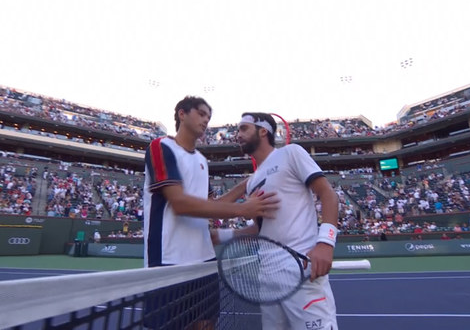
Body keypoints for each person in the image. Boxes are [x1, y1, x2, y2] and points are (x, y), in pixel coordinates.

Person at [142, 97, 280, 330]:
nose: (206, 120)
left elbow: (207, 207)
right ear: (182, 114)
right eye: (201, 113)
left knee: (206, 326)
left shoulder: (202, 161)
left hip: (204, 262)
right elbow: (181, 204)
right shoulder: (161, 147)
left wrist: (245, 186)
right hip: (168, 262)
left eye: (209, 116)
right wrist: (243, 208)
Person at [212, 112, 340, 330]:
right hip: (267, 278)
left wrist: (326, 243)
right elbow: (260, 230)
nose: (237, 135)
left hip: (300, 269)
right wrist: (220, 236)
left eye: (243, 128)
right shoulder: (253, 181)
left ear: (263, 131)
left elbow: (328, 194)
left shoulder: (291, 153)